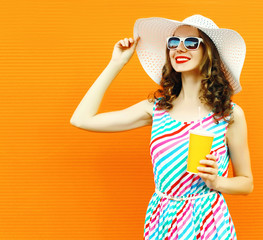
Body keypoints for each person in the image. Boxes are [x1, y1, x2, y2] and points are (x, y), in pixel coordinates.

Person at [70, 14, 253, 240]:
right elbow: (81, 119)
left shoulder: (229, 114)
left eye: (192, 42)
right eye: (174, 42)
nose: (180, 48)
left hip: (209, 223)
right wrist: (116, 64)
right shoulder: (156, 109)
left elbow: (246, 183)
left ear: (209, 52)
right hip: (163, 221)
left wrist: (217, 181)